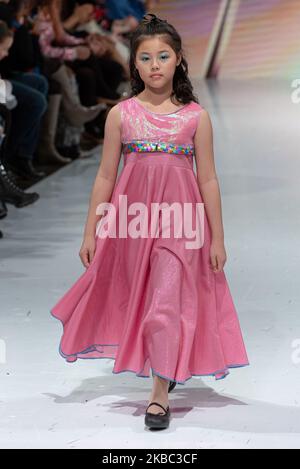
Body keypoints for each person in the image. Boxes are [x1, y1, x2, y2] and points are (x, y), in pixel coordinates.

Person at [50, 13, 250, 431]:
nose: (155, 64)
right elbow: (105, 175)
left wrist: (218, 237)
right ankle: (164, 363)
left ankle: (158, 394)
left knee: (164, 302)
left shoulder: (195, 116)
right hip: (131, 223)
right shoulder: (121, 115)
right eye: (146, 57)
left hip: (181, 222)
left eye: (163, 55)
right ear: (135, 65)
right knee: (139, 299)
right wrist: (92, 230)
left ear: (178, 60)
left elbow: (208, 178)